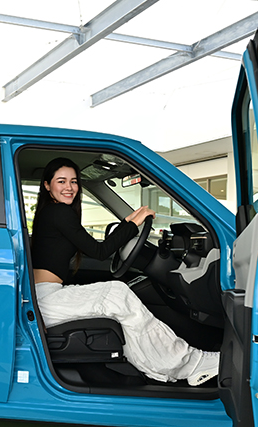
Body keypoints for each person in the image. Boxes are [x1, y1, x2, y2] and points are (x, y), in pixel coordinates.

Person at [30, 157, 219, 386]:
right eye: (61, 181)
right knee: (118, 293)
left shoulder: (50, 213)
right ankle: (190, 364)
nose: (69, 187)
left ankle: (157, 368)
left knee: (118, 302)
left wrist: (127, 224)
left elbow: (94, 249)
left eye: (74, 181)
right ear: (47, 185)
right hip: (45, 299)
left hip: (43, 296)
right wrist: (132, 225)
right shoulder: (59, 212)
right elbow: (100, 252)